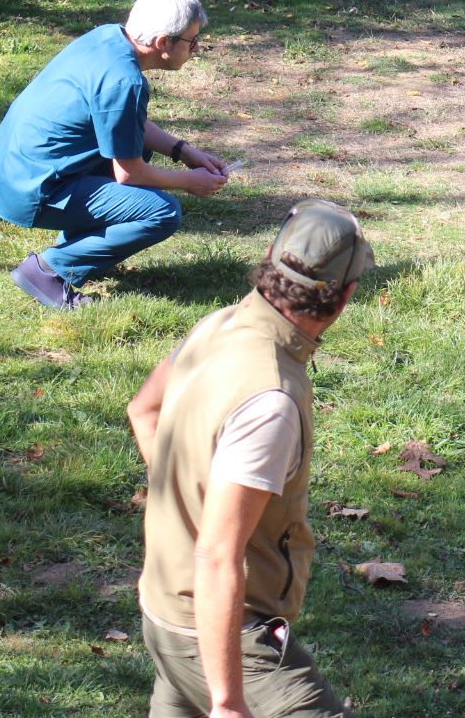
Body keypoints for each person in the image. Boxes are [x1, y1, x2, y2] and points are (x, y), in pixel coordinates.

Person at [128, 200, 375, 718]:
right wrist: (228, 702)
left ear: (270, 256)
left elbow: (144, 410)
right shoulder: (271, 398)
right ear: (347, 295)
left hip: (164, 612)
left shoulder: (219, 325)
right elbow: (217, 556)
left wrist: (187, 506)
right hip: (224, 637)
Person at [0, 0, 230, 310]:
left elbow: (124, 123)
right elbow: (129, 175)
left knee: (137, 150)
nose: (196, 48)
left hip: (14, 174)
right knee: (162, 211)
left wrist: (183, 151)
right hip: (32, 191)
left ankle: (77, 245)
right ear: (162, 43)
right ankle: (48, 270)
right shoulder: (124, 81)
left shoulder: (106, 38)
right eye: (192, 41)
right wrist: (190, 182)